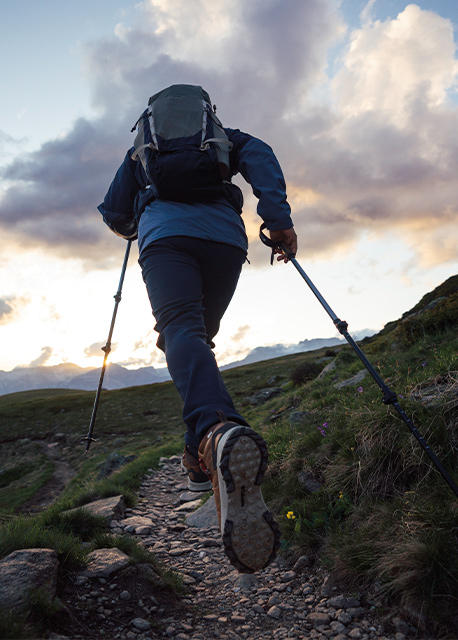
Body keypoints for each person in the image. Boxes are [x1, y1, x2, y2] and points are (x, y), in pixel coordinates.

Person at [98, 84, 297, 573]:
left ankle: (214, 431)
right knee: (193, 338)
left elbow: (112, 213)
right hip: (225, 243)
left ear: (154, 119)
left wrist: (138, 221)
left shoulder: (140, 152)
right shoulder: (226, 140)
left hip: (166, 240)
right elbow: (264, 160)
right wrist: (280, 222)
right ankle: (196, 458)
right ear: (205, 114)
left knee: (181, 333)